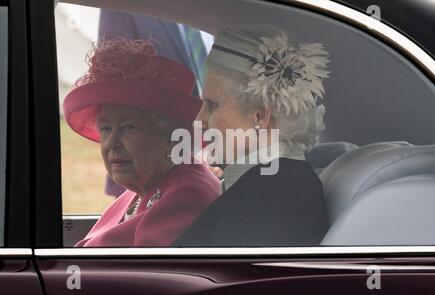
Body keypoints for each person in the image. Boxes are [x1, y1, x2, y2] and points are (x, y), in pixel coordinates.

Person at [173, 25, 330, 246]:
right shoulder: (269, 184)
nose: (198, 121)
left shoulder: (271, 197)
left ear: (259, 116)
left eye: (211, 105)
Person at [63, 38, 221, 247]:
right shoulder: (139, 189)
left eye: (128, 127)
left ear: (169, 136)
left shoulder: (187, 194)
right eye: (106, 129)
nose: (111, 143)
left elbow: (140, 276)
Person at [98, 9, 215, 197]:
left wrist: (217, 153)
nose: (109, 141)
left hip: (208, 165)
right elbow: (114, 87)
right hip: (147, 175)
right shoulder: (125, 8)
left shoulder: (222, 10)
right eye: (103, 129)